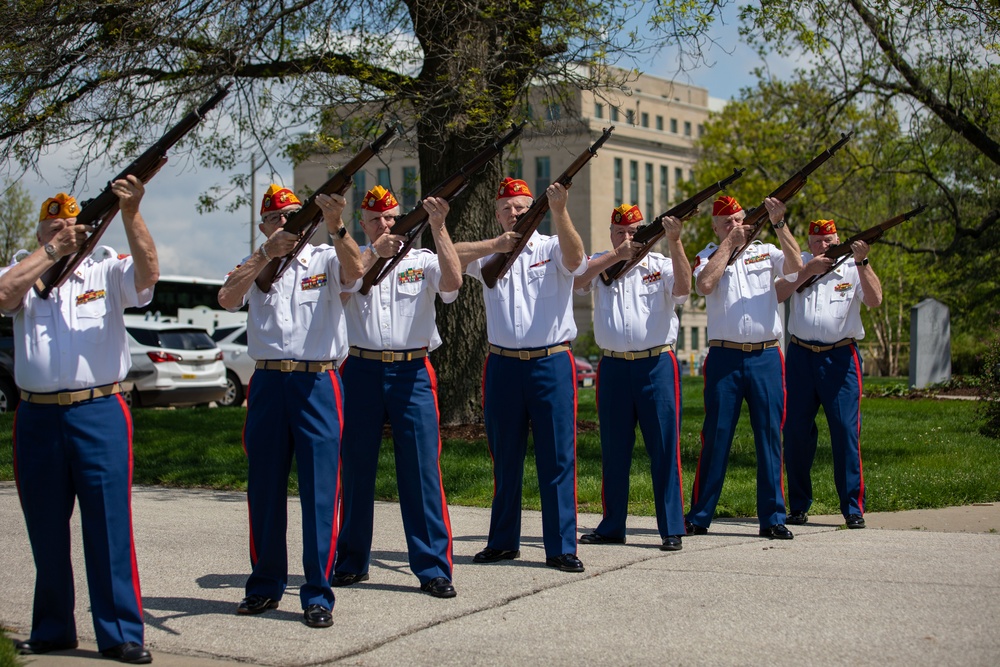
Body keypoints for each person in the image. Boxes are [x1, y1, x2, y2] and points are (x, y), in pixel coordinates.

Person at [1, 179, 158, 664]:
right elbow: (4, 296)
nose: (64, 232)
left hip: (99, 410)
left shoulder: (106, 268)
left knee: (109, 527)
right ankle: (52, 629)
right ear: (42, 231)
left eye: (71, 226)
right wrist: (51, 251)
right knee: (46, 528)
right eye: (53, 226)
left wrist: (131, 212)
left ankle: (121, 633)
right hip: (38, 416)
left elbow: (149, 275)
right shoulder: (27, 267)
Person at [218, 184, 363, 628]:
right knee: (264, 490)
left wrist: (337, 224)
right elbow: (226, 298)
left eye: (292, 217)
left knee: (320, 493)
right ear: (263, 225)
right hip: (267, 382)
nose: (284, 224)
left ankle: (318, 593)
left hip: (317, 380)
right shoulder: (255, 261)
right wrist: (264, 254)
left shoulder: (325, 256)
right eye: (275, 218)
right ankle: (264, 586)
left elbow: (356, 272)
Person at [454, 177, 587, 573]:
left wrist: (560, 211)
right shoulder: (490, 252)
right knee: (505, 458)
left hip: (550, 363)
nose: (515, 212)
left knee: (557, 458)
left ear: (536, 209)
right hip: (503, 366)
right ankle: (502, 541)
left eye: (523, 206)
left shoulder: (551, 246)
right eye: (508, 207)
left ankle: (561, 546)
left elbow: (578, 258)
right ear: (497, 214)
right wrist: (494, 246)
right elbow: (449, 255)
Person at [333, 186, 461, 598]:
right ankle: (352, 560)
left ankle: (432, 567)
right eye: (376, 220)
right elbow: (344, 284)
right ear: (363, 226)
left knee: (422, 472)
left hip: (412, 371)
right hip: (361, 369)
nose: (385, 225)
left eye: (391, 218)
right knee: (355, 470)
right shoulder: (353, 259)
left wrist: (439, 227)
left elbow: (454, 283)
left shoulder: (422, 260)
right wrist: (374, 252)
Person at [573, 204, 691, 551]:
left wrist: (676, 242)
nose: (628, 237)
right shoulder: (602, 262)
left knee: (664, 448)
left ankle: (671, 527)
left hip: (655, 365)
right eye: (620, 231)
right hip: (613, 367)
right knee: (614, 450)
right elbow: (578, 282)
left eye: (635, 231)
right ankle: (612, 526)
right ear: (611, 233)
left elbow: (684, 290)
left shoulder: (661, 265)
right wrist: (614, 255)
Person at [686, 195, 803, 539]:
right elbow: (704, 284)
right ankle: (700, 514)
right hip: (725, 358)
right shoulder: (709, 254)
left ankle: (773, 517)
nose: (735, 226)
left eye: (739, 220)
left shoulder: (765, 250)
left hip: (766, 355)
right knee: (717, 436)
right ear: (715, 227)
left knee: (769, 437)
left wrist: (780, 223)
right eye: (727, 222)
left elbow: (796, 268)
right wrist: (729, 245)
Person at [776, 219, 882, 529]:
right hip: (800, 358)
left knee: (845, 433)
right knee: (795, 434)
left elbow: (875, 299)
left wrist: (863, 261)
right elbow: (778, 294)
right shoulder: (799, 265)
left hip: (840, 358)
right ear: (809, 243)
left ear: (840, 241)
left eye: (830, 240)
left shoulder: (852, 267)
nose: (825, 245)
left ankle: (852, 507)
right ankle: (797, 506)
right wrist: (806, 271)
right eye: (819, 241)